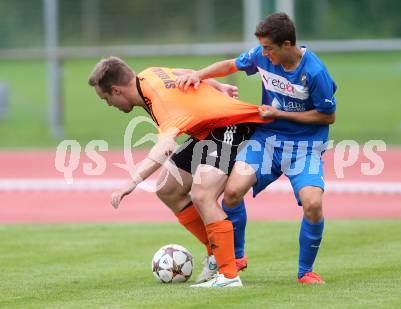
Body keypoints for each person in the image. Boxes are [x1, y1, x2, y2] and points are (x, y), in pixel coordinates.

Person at [176, 12, 337, 285]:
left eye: (268, 48)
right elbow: (230, 65)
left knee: (313, 204)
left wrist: (280, 114)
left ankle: (305, 272)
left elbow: (327, 116)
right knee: (232, 193)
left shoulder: (315, 72)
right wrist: (198, 75)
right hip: (267, 140)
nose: (263, 53)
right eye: (262, 47)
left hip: (305, 148)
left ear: (287, 45)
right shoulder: (262, 56)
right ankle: (237, 256)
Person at [88, 57, 269, 287]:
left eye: (106, 99)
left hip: (231, 125)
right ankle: (215, 253)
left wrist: (130, 183)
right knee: (168, 188)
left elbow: (164, 148)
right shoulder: (150, 73)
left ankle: (228, 275)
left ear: (116, 90)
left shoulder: (161, 104)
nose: (109, 104)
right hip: (208, 131)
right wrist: (217, 86)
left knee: (202, 194)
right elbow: (186, 72)